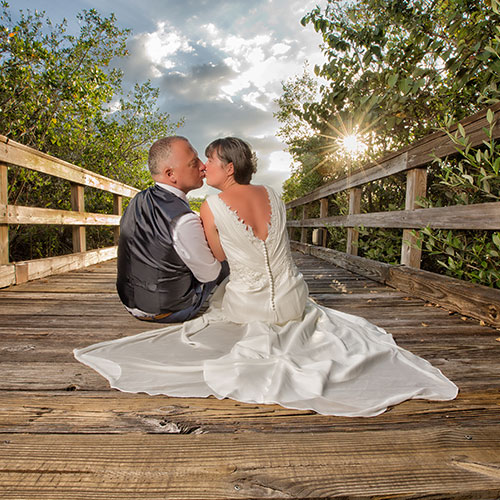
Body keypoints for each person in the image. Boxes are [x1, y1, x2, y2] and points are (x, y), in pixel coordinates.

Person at [74, 137, 458, 417]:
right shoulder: (273, 194)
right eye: (198, 161)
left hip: (249, 305)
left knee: (224, 290)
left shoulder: (206, 207)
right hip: (293, 297)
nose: (204, 167)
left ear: (228, 167)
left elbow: (218, 260)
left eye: (207, 160)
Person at [116, 136, 227, 324]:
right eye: (194, 163)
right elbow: (210, 275)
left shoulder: (138, 199)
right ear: (171, 174)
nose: (203, 166)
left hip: (130, 304)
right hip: (170, 310)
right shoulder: (184, 220)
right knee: (227, 263)